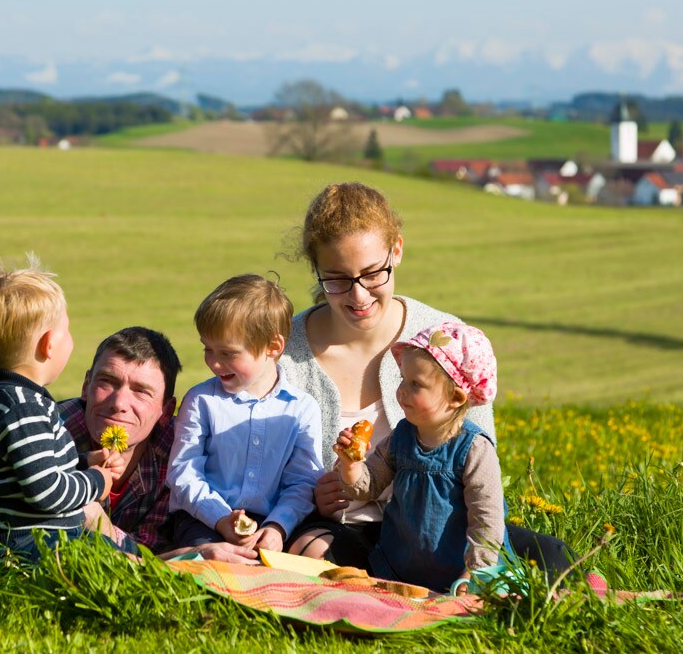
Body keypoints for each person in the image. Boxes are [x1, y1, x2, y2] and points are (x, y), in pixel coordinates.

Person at [281, 182, 575, 579]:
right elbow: (266, 467)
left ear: (396, 251)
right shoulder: (284, 353)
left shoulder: (444, 337)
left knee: (553, 555)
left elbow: (477, 455)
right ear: (315, 270)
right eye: (336, 279)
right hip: (343, 528)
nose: (359, 295)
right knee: (312, 553)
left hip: (443, 531)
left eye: (372, 274)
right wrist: (315, 493)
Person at [0, 255, 127, 559]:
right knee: (126, 564)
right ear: (49, 344)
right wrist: (97, 480)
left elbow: (26, 466)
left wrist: (84, 460)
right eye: (68, 330)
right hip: (31, 542)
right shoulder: (23, 408)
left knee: (126, 554)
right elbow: (46, 491)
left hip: (19, 534)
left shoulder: (3, 398)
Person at [335, 322, 514, 593]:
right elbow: (368, 486)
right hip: (400, 566)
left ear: (455, 397)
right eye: (402, 380)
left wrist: (476, 572)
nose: (402, 391)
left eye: (416, 384)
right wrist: (351, 465)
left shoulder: (474, 449)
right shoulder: (402, 437)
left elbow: (486, 518)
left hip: (459, 572)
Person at [59, 326, 259, 564]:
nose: (119, 403)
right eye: (107, 382)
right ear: (86, 386)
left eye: (141, 391)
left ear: (165, 411)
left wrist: (99, 525)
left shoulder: (180, 456)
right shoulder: (49, 431)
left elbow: (149, 549)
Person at [167, 274, 324, 553]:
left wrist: (278, 527)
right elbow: (183, 473)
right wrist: (220, 518)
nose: (214, 363)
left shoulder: (301, 408)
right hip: (203, 519)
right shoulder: (201, 400)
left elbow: (303, 482)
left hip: (272, 524)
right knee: (217, 569)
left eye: (228, 353)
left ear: (273, 347)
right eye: (208, 348)